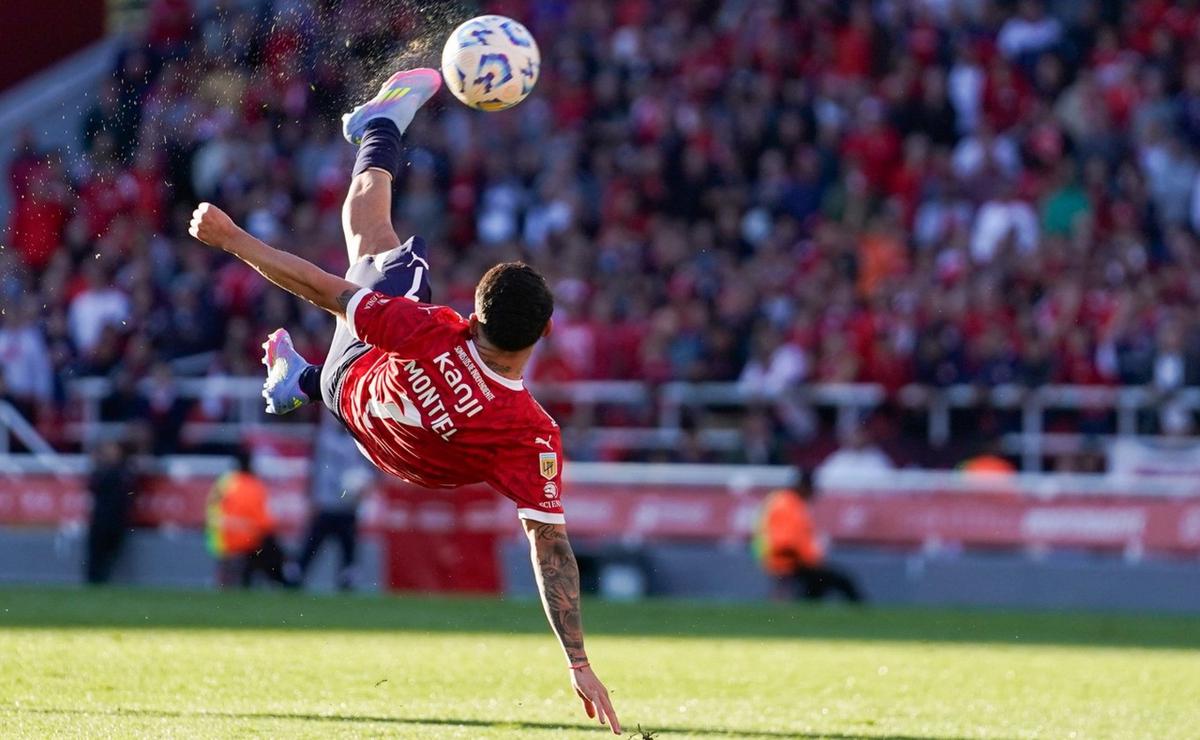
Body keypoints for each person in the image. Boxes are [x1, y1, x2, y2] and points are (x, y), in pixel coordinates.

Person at [187, 68, 620, 734]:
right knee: (372, 258)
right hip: (379, 443)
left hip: (350, 385)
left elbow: (322, 289)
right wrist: (578, 661)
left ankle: (378, 127)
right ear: (545, 334)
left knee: (377, 248)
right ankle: (292, 380)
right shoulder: (531, 436)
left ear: (473, 319)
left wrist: (233, 240)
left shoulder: (436, 332)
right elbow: (551, 550)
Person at [290, 415, 373, 590]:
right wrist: (311, 497)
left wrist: (364, 485)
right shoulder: (323, 437)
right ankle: (296, 575)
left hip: (347, 505)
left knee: (348, 547)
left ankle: (347, 579)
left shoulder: (359, 438)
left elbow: (369, 470)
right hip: (326, 503)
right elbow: (314, 469)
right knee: (312, 544)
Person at [754, 468, 863, 603]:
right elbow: (784, 543)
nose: (813, 493)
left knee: (820, 585)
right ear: (803, 486)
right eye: (812, 488)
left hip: (792, 562)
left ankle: (806, 608)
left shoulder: (789, 502)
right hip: (789, 563)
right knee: (842, 581)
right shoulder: (786, 505)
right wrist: (809, 562)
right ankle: (864, 616)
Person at [206, 448, 288, 588]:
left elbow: (210, 511)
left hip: (221, 542)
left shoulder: (224, 483)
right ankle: (282, 582)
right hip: (247, 543)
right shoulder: (254, 486)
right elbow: (266, 523)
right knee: (270, 548)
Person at [85, 440, 139, 584]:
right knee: (96, 556)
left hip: (117, 519)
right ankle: (94, 582)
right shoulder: (102, 472)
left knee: (111, 555)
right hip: (101, 519)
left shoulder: (124, 472)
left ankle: (103, 581)